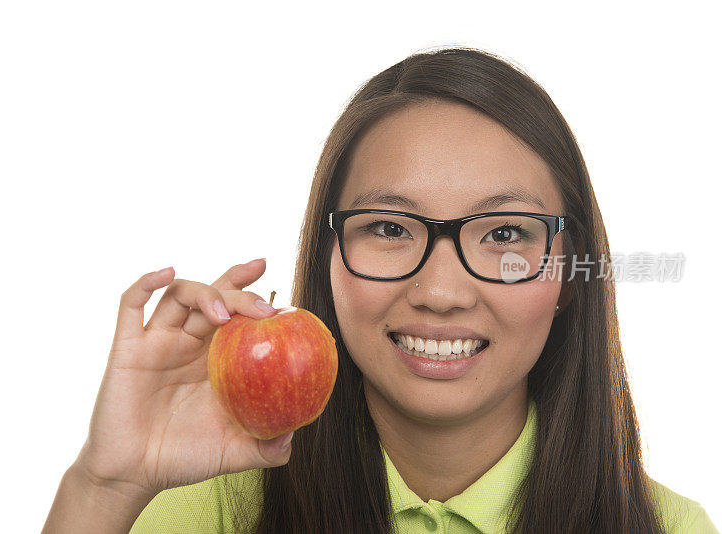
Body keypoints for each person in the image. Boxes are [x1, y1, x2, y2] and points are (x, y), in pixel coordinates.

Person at [42, 46, 718, 534]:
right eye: (391, 226)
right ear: (326, 259)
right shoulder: (212, 512)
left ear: (570, 273)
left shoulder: (666, 528)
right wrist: (107, 484)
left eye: (506, 234)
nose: (443, 291)